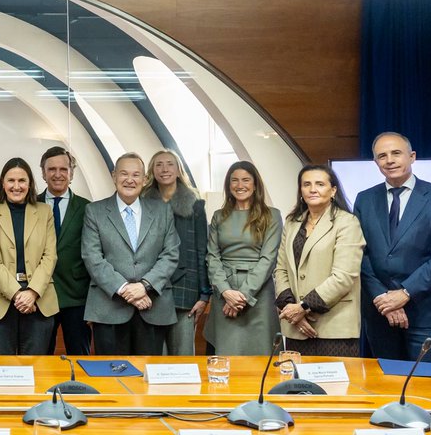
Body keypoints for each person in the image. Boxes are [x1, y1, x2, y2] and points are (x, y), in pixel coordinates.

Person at [355, 132, 431, 362]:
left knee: (426, 389)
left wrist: (404, 293)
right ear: (376, 163)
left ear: (412, 156)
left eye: (396, 153)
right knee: (386, 389)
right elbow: (359, 255)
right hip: (381, 314)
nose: (389, 160)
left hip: (429, 314)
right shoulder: (364, 199)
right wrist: (385, 299)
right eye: (382, 156)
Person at [81, 153, 179, 355]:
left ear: (144, 179)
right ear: (114, 176)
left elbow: (170, 254)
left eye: (136, 175)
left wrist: (144, 286)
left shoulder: (162, 211)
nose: (129, 179)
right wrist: (126, 289)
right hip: (109, 308)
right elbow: (92, 257)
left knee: (147, 378)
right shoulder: (94, 211)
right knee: (110, 376)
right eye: (124, 173)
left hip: (152, 306)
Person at [274, 165, 366, 357]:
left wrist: (304, 307)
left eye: (320, 184)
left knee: (333, 387)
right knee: (295, 385)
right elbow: (281, 269)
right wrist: (293, 312)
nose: (312, 189)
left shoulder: (347, 222)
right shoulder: (292, 222)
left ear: (333, 190)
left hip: (333, 327)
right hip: (296, 328)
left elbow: (343, 276)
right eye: (306, 184)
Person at [0, 157, 59, 354]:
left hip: (38, 301)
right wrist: (17, 294)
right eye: (11, 181)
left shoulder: (45, 211)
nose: (16, 186)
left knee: (37, 370)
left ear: (30, 184)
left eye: (22, 181)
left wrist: (31, 293)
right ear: (2, 184)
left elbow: (50, 257)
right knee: (0, 371)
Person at [204, 160, 283, 356]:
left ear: (255, 184)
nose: (240, 185)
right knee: (224, 356)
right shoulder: (218, 216)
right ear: (228, 185)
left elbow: (268, 259)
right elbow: (212, 257)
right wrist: (226, 292)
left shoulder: (272, 216)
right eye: (235, 180)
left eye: (246, 180)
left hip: (259, 295)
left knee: (261, 354)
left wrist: (244, 296)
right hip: (225, 293)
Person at [142, 149, 210, 356]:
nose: (164, 169)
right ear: (152, 171)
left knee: (183, 357)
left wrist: (204, 294)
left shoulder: (196, 205)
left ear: (179, 170)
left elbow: (202, 250)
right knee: (154, 358)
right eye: (159, 164)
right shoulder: (142, 204)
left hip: (185, 288)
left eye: (170, 164)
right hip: (151, 288)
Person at [40, 146, 91, 355]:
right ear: (43, 173)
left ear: (72, 173)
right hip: (40, 296)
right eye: (51, 169)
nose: (58, 174)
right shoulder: (30, 205)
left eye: (63, 169)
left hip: (76, 296)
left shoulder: (88, 208)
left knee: (80, 358)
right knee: (39, 358)